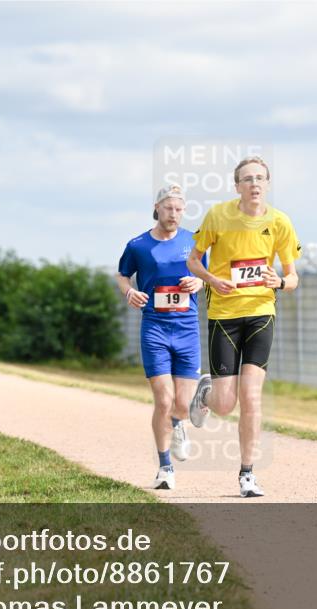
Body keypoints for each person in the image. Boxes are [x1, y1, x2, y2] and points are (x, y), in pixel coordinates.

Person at [186, 156, 301, 498]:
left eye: (260, 178)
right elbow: (192, 260)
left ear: (267, 184)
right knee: (225, 405)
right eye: (247, 179)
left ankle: (247, 474)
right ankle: (206, 393)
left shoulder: (280, 222)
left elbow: (293, 277)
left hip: (261, 313)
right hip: (224, 315)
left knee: (251, 397)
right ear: (237, 186)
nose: (254, 184)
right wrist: (211, 279)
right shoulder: (218, 216)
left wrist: (278, 281)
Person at [117, 184, 205, 490]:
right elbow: (122, 274)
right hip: (154, 327)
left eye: (180, 209)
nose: (175, 214)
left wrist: (198, 283)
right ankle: (165, 467)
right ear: (157, 209)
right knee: (163, 399)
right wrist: (129, 291)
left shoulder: (194, 241)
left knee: (181, 404)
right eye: (169, 208)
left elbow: (206, 275)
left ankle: (180, 422)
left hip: (187, 329)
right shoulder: (138, 245)